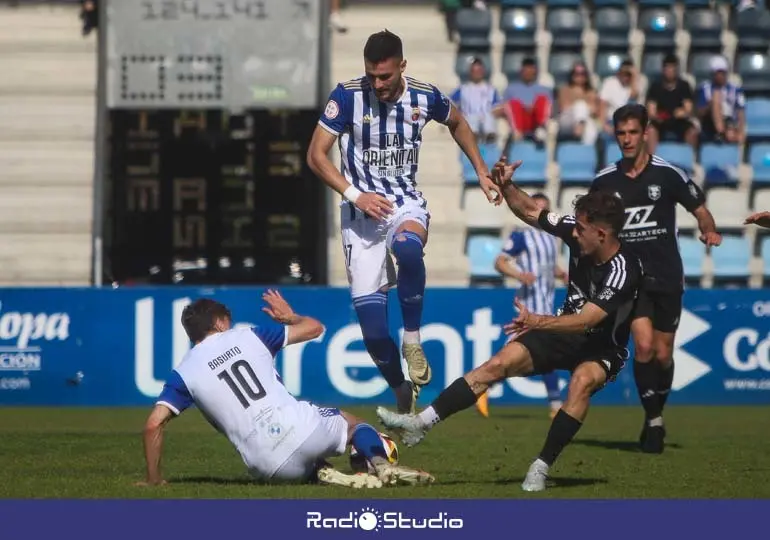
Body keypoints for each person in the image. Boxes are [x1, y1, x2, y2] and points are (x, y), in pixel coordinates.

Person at [377, 165, 644, 492]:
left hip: (602, 346)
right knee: (496, 365)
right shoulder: (578, 229)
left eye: (581, 230)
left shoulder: (624, 270)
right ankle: (421, 423)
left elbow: (588, 320)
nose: (573, 234)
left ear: (601, 234)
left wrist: (537, 321)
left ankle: (541, 466)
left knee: (582, 381)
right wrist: (507, 185)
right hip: (563, 332)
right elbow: (532, 211)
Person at [307, 30, 501, 414]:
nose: (377, 84)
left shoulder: (424, 96)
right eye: (371, 76)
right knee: (375, 333)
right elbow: (316, 155)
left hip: (403, 204)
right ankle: (399, 387)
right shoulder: (347, 96)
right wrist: (354, 194)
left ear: (402, 67)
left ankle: (412, 339)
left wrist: (480, 170)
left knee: (410, 249)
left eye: (385, 77)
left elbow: (458, 122)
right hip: (359, 217)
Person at [136, 290, 434, 489]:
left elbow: (152, 426)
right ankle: (380, 465)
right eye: (227, 319)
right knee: (354, 423)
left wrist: (154, 480)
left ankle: (323, 472)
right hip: (303, 429)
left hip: (266, 465)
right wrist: (290, 318)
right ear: (219, 322)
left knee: (298, 460)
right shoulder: (249, 335)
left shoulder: (184, 372)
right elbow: (315, 328)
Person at [589, 103, 722, 454]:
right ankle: (654, 422)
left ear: (646, 132)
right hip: (630, 279)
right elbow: (589, 228)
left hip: (667, 275)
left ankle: (655, 413)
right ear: (615, 135)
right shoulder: (604, 181)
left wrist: (709, 231)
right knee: (643, 346)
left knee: (663, 354)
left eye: (633, 132)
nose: (627, 139)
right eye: (621, 133)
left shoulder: (668, 174)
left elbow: (700, 210)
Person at [478, 192, 567, 419]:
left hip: (545, 305)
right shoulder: (522, 236)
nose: (540, 213)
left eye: (544, 209)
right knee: (519, 355)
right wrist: (519, 275)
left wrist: (561, 274)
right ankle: (482, 386)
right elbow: (499, 262)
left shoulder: (550, 236)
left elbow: (548, 267)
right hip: (529, 306)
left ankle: (555, 405)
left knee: (543, 356)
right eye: (536, 208)